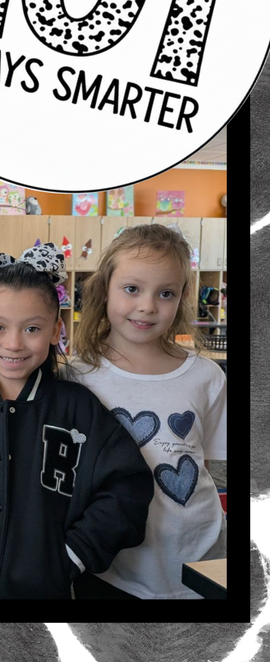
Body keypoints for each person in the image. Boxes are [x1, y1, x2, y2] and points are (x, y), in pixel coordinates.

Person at [0, 242, 153, 599]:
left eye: (32, 329)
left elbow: (127, 487)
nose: (14, 343)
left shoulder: (78, 408)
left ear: (56, 331)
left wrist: (73, 556)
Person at [69, 223, 227, 599]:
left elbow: (210, 466)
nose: (147, 305)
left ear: (182, 297)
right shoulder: (76, 376)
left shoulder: (206, 375)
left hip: (199, 558)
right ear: (104, 288)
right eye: (132, 288)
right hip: (112, 568)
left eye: (166, 293)